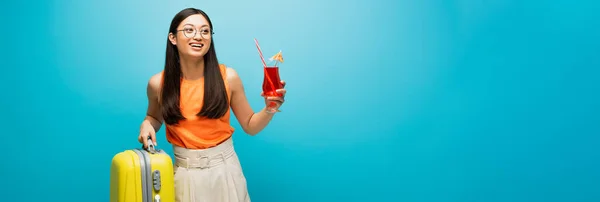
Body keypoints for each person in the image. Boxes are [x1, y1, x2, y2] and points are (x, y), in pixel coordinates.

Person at [137, 7, 286, 202]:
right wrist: (147, 123)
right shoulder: (157, 84)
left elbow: (250, 125)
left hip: (226, 171)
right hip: (184, 175)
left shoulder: (228, 77)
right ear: (172, 38)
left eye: (205, 31)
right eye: (189, 30)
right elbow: (155, 117)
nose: (198, 36)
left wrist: (269, 109)